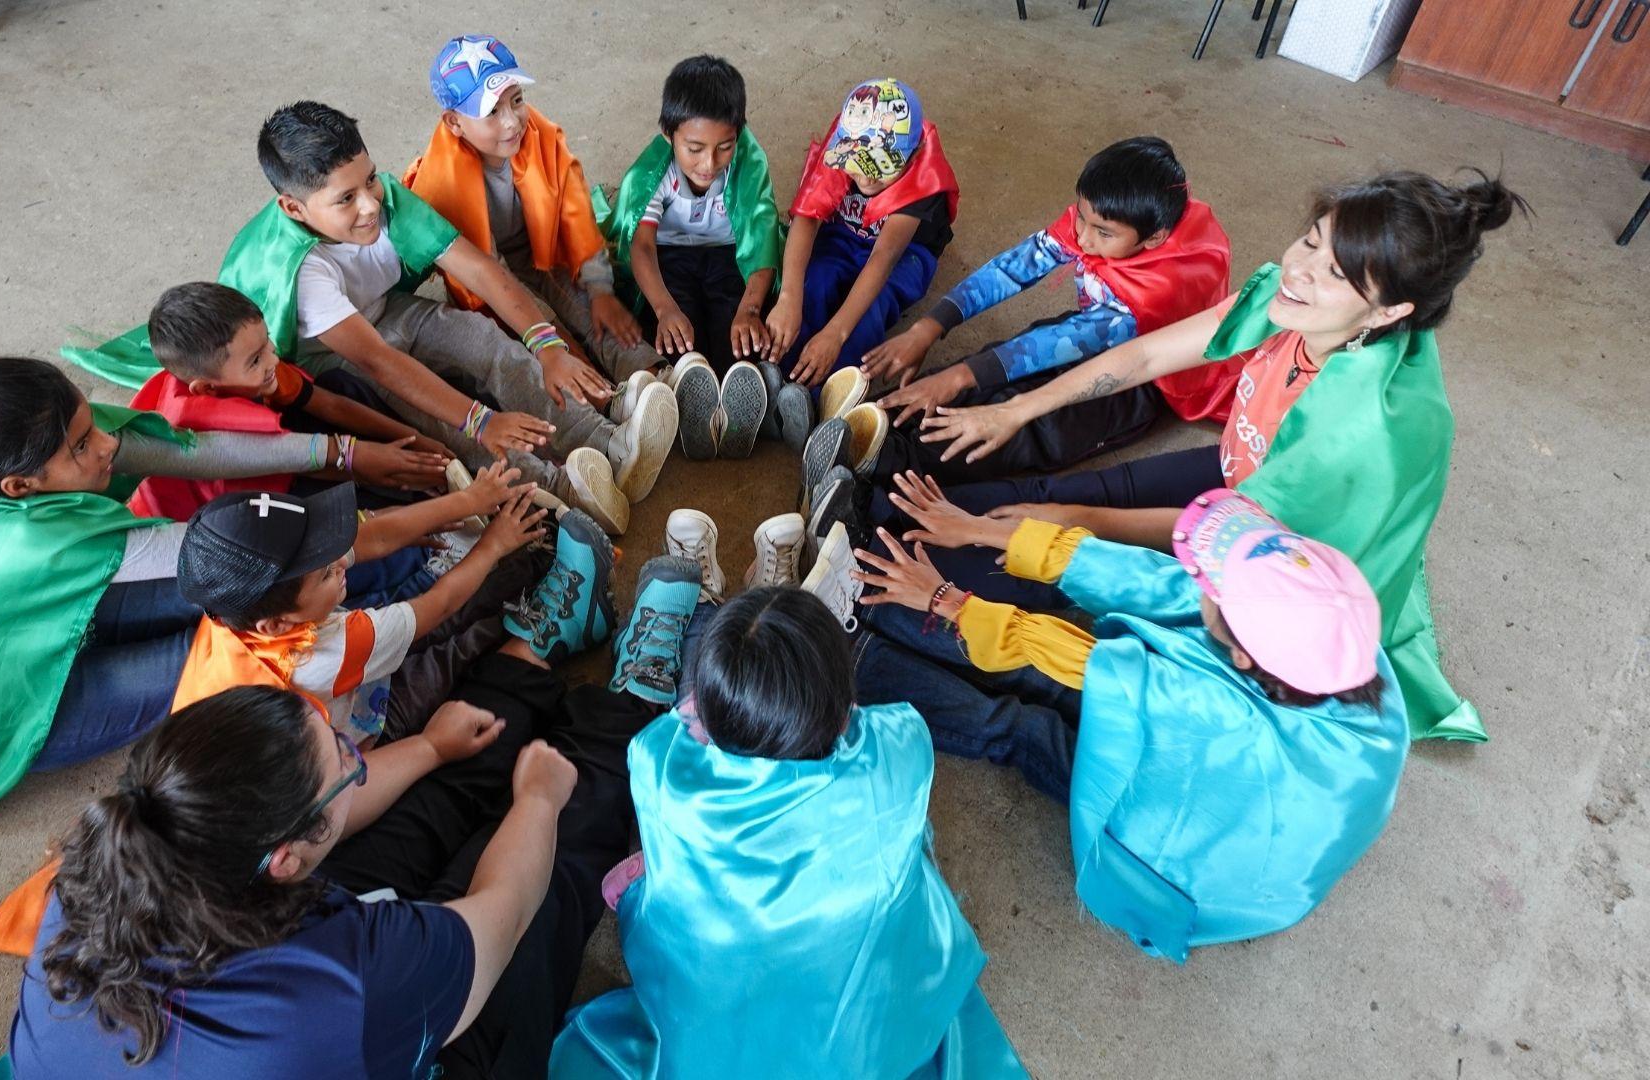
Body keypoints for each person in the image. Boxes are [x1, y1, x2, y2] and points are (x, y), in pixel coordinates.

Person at [4, 518, 709, 1077]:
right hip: (369, 1033)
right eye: (345, 760)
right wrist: (538, 804)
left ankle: (530, 658)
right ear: (281, 859)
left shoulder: (108, 876)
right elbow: (504, 911)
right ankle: (626, 711)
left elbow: (334, 828)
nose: (356, 755)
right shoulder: (339, 992)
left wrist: (430, 746)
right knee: (545, 886)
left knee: (421, 795)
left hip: (299, 985)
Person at [901, 171, 1527, 742]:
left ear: (1390, 310)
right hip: (1245, 482)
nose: (1301, 269)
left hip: (1277, 554)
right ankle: (893, 518)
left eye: (1337, 272)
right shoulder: (1298, 303)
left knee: (1061, 603)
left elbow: (1236, 539)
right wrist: (1016, 410)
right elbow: (1148, 357)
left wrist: (1073, 521)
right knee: (1024, 513)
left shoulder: (1358, 435)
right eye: (1310, 241)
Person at [0, 358, 518, 848]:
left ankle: (404, 566)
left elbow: (173, 451)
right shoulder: (50, 546)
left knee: (242, 597)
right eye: (82, 446)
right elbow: (272, 555)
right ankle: (423, 567)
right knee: (240, 645)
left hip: (4, 640)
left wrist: (340, 455)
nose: (106, 448)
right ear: (18, 486)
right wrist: (464, 511)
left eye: (91, 427)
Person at [65, 100, 677, 536]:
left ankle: (607, 444)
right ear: (293, 208)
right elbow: (380, 362)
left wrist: (545, 344)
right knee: (433, 416)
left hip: (388, 310)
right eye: (345, 199)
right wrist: (478, 418)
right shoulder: (301, 272)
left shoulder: (383, 197)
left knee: (480, 336)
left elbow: (484, 272)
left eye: (368, 183)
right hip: (336, 357)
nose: (369, 207)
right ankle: (563, 489)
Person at [853, 481, 1408, 962]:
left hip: (1204, 850)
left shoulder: (1211, 711)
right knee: (1045, 669)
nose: (1197, 580)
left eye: (1211, 585)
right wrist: (981, 530)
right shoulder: (1337, 641)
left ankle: (851, 651)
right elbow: (1157, 582)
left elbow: (1088, 662)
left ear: (1243, 656)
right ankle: (871, 601)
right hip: (1240, 759)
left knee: (1027, 726)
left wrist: (945, 599)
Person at [549, 587, 1028, 1078]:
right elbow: (884, 730)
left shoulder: (662, 769)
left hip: (716, 980)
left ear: (708, 720)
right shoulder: (898, 753)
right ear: (844, 709)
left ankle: (703, 609)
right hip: (866, 1031)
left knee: (663, 869)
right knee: (909, 838)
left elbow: (670, 732)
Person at [861, 136, 1235, 482]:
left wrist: (958, 377)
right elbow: (1016, 267)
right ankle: (866, 418)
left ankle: (889, 460)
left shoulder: (1158, 290)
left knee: (1036, 428)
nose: (1083, 238)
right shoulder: (1111, 216)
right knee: (987, 365)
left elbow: (1067, 340)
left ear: (1155, 238)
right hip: (1090, 327)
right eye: (1082, 219)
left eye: (1102, 232)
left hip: (1144, 382)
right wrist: (929, 326)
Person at [168, 478, 551, 742]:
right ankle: (534, 605)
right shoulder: (323, 653)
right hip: (355, 727)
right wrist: (494, 544)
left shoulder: (234, 601)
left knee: (407, 618)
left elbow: (369, 537)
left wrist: (466, 501)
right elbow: (440, 604)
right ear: (275, 625)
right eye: (326, 574)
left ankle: (515, 568)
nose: (342, 562)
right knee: (446, 660)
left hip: (321, 679)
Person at [403, 34, 662, 383]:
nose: (511, 121)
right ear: (454, 123)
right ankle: (607, 399)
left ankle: (656, 376)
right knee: (546, 330)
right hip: (491, 271)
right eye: (491, 111)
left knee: (592, 307)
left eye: (517, 100)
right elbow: (486, 280)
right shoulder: (441, 185)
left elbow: (576, 215)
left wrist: (601, 288)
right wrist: (551, 336)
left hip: (541, 245)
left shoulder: (540, 134)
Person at [601, 55, 797, 461]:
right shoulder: (653, 173)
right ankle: (694, 408)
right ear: (668, 134)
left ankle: (737, 417)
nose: (709, 163)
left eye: (724, 147)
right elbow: (641, 247)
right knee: (678, 336)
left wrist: (750, 307)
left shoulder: (748, 163)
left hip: (730, 256)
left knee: (738, 337)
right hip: (668, 259)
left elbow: (761, 239)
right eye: (694, 149)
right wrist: (665, 307)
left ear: (738, 135)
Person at [129, 280, 452, 519]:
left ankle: (416, 479)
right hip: (249, 498)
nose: (272, 360)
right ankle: (418, 501)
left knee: (339, 384)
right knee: (329, 511)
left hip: (286, 451)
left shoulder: (259, 368)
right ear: (208, 389)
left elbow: (331, 404)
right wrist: (377, 470)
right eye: (255, 360)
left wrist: (413, 440)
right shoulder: (211, 434)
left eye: (267, 343)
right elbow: (295, 467)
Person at [765, 77, 958, 396]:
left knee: (869, 312)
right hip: (843, 230)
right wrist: (788, 298)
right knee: (817, 278)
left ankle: (823, 396)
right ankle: (778, 376)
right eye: (858, 164)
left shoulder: (922, 175)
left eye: (881, 167)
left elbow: (883, 259)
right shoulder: (842, 139)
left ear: (911, 158)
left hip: (904, 252)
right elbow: (806, 216)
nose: (867, 176)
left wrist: (836, 335)